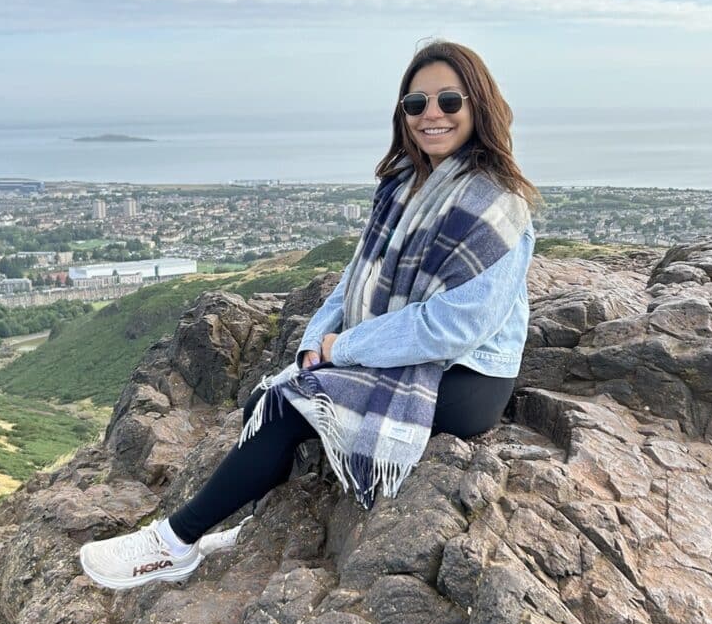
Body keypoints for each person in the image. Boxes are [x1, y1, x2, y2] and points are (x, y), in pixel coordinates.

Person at [79, 39, 540, 591]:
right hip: (400, 345)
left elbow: (453, 328)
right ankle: (243, 524)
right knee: (271, 395)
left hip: (468, 374)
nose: (431, 115)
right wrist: (316, 339)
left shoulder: (497, 205)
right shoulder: (401, 187)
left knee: (288, 405)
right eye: (415, 105)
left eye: (448, 100)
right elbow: (354, 278)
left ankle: (173, 544)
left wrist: (343, 350)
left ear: (478, 105)